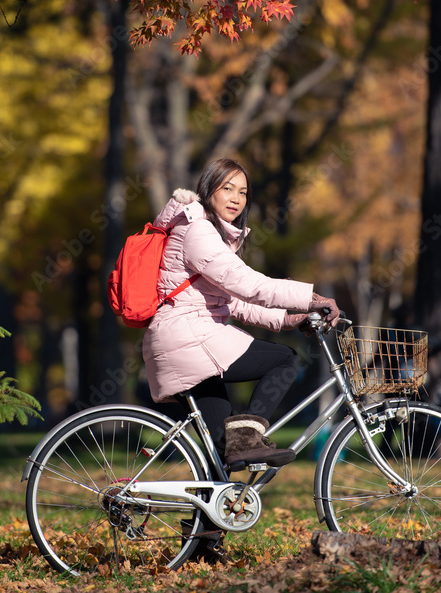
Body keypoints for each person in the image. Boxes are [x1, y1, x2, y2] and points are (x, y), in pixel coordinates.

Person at [142, 158, 339, 467]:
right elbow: (247, 284)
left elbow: (232, 301)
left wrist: (286, 319)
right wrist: (310, 298)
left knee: (222, 451)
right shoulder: (199, 232)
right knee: (284, 360)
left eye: (243, 192)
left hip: (184, 341)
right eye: (227, 188)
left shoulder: (202, 231)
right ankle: (248, 439)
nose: (236, 198)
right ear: (208, 190)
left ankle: (206, 516)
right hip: (190, 339)